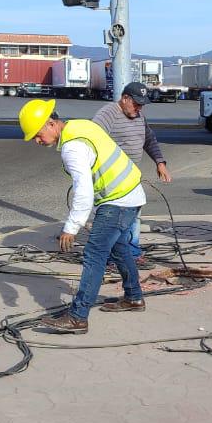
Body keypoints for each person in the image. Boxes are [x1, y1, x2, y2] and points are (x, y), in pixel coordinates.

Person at [20, 99, 147, 335]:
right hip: (131, 195)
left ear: (50, 124)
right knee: (119, 248)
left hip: (118, 200)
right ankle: (134, 297)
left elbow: (83, 190)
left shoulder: (72, 147)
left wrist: (72, 227)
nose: (37, 141)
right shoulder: (79, 126)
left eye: (37, 135)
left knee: (94, 254)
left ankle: (78, 317)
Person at [92, 81, 171, 270]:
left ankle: (132, 253)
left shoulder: (139, 116)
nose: (139, 108)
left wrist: (160, 162)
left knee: (134, 215)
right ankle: (113, 257)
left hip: (132, 176)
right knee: (115, 219)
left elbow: (149, 139)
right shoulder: (108, 113)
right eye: (136, 104)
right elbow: (92, 138)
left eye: (142, 104)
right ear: (125, 98)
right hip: (112, 178)